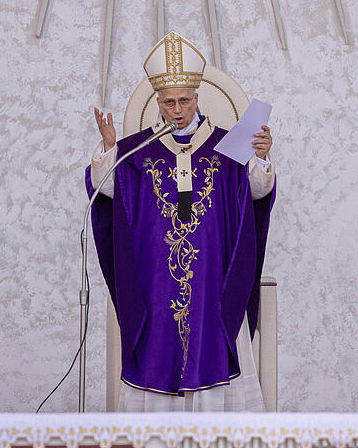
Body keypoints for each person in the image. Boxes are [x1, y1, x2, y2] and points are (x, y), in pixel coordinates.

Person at [86, 31, 276, 412]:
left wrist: (262, 157)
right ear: (158, 101)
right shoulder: (137, 150)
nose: (177, 109)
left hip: (213, 280)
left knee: (214, 346)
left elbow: (256, 193)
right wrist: (109, 150)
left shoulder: (229, 147)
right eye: (169, 102)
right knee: (158, 353)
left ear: (197, 99)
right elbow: (105, 193)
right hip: (156, 283)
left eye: (184, 101)